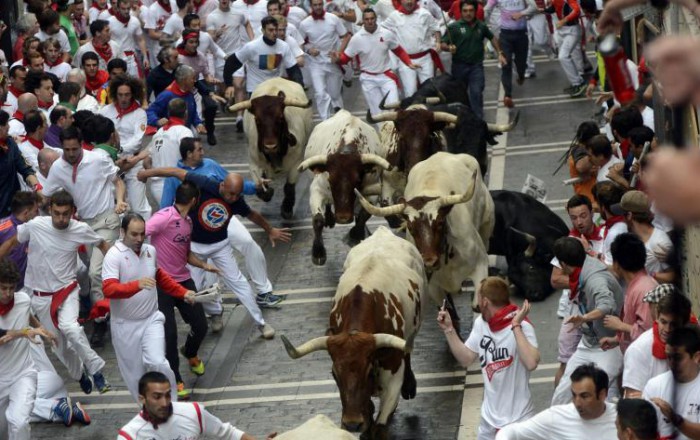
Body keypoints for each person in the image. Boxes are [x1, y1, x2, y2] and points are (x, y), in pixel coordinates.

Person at [136, 167, 290, 338]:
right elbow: (175, 171)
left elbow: (252, 215)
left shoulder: (236, 201)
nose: (232, 198)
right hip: (194, 246)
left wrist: (270, 229)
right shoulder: (206, 183)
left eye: (236, 195)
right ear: (222, 185)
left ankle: (261, 323)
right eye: (230, 193)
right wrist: (147, 174)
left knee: (239, 283)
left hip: (220, 245)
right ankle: (215, 314)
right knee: (198, 288)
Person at [152, 138, 285, 320]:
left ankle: (264, 291)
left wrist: (254, 187)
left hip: (224, 216)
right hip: (198, 228)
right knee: (205, 274)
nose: (203, 152)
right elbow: (166, 207)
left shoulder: (211, 165)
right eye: (199, 149)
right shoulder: (177, 179)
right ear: (189, 154)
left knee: (247, 242)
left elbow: (232, 183)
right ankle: (214, 311)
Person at [1, 191, 112, 394]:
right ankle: (80, 374)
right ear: (50, 210)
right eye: (57, 213)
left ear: (72, 212)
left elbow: (103, 244)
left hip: (66, 290)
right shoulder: (35, 225)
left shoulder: (81, 229)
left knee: (71, 328)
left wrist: (115, 271)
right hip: (41, 296)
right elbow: (12, 242)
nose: (61, 219)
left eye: (66, 214)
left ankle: (97, 371)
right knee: (59, 345)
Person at [42, 126, 128, 347]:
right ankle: (111, 305)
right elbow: (47, 196)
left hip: (106, 219)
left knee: (95, 271)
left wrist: (119, 201)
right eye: (67, 149)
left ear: (82, 145)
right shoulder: (58, 167)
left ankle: (100, 320)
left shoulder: (97, 159)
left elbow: (117, 181)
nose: (71, 153)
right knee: (95, 272)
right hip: (84, 227)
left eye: (74, 148)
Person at [102, 214, 196, 403]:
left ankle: (172, 405)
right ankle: (147, 413)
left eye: (142, 234)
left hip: (151, 319)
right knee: (136, 376)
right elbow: (109, 289)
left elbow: (160, 276)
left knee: (158, 363)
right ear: (122, 232)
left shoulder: (150, 251)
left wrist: (183, 293)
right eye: (134, 234)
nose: (139, 239)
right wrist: (136, 285)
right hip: (125, 326)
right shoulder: (114, 255)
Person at [437, 277, 540, 439]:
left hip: (517, 420)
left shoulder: (522, 325)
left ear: (485, 301)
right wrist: (449, 329)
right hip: (489, 421)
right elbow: (466, 359)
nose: (476, 303)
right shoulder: (481, 324)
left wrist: (516, 326)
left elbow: (531, 362)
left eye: (477, 297)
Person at [145, 182, 213, 400]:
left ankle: (190, 352)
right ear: (194, 201)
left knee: (201, 325)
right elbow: (139, 234)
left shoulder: (188, 221)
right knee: (169, 334)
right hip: (163, 285)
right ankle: (175, 377)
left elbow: (185, 254)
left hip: (184, 281)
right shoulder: (163, 217)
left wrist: (204, 265)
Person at [551, 236, 624, 405]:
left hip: (610, 346)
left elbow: (607, 304)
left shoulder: (594, 280)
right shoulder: (583, 268)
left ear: (563, 265)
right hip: (589, 343)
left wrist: (584, 317)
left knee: (594, 396)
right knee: (560, 398)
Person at [549, 194, 604, 385]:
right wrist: (584, 280)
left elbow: (612, 274)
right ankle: (558, 405)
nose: (579, 222)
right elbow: (555, 279)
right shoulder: (567, 242)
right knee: (565, 363)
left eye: (583, 215)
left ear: (592, 213)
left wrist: (590, 253)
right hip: (573, 312)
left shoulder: (606, 237)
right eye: (574, 218)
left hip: (601, 311)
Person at [118, 371, 264, 439]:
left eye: (168, 395)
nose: (164, 403)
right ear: (142, 399)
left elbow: (228, 433)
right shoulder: (130, 435)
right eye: (157, 397)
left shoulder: (192, 412)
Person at [495, 364, 618, 439]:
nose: (577, 403)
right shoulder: (557, 417)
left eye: (584, 396)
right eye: (574, 395)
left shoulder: (621, 418)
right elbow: (510, 432)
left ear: (602, 394)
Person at [332, 8, 417, 116]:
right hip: (368, 79)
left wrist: (409, 63)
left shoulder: (386, 34)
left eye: (372, 18)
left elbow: (398, 50)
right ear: (363, 20)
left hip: (387, 77)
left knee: (393, 109)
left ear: (376, 19)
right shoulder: (357, 39)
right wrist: (337, 59)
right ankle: (382, 132)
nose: (370, 21)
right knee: (377, 113)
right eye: (367, 19)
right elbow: (345, 58)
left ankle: (395, 132)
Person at [623, 287, 692, 398]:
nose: (667, 329)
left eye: (674, 324)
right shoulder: (638, 350)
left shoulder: (693, 344)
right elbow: (631, 398)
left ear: (684, 324)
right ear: (656, 317)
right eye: (663, 322)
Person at [440, 0, 504, 119]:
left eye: (470, 11)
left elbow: (492, 38)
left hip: (476, 67)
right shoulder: (454, 27)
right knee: (460, 96)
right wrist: (449, 48)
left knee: (476, 92)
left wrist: (500, 52)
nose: (468, 14)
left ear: (475, 11)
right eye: (465, 11)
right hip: (459, 67)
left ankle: (478, 121)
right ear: (461, 12)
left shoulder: (481, 26)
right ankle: (463, 120)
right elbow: (442, 44)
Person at [99, 75, 150, 219]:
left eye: (127, 94)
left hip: (133, 163)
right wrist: (114, 155)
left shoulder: (140, 113)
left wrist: (119, 150)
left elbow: (137, 141)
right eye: (120, 94)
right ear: (115, 94)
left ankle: (146, 237)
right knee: (115, 205)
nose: (123, 98)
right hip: (111, 164)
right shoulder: (105, 111)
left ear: (133, 93)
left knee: (139, 206)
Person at [0, 258, 41, 440]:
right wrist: (23, 332)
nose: (8, 293)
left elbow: (27, 313)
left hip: (23, 374)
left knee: (19, 423)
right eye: (3, 288)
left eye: (11, 288)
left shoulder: (23, 300)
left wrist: (41, 328)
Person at [599, 233, 655, 353]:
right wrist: (616, 339)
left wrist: (620, 326)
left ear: (616, 264)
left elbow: (650, 333)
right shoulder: (638, 284)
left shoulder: (644, 290)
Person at [223, 17, 304, 98]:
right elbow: (231, 62)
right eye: (271, 30)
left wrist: (299, 88)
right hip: (256, 89)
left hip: (275, 88)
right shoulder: (251, 47)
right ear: (263, 31)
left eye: (276, 29)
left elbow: (293, 70)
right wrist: (229, 85)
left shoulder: (284, 46)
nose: (275, 33)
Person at [643, 326, 700, 440]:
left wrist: (675, 419)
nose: (671, 363)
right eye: (668, 357)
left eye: (678, 358)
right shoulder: (654, 385)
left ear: (697, 357)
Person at [299, 0, 351, 119]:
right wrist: (308, 50)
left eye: (319, 4)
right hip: (315, 64)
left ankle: (341, 121)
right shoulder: (304, 24)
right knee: (320, 93)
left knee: (335, 94)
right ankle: (325, 121)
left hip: (332, 62)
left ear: (323, 5)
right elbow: (299, 43)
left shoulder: (333, 19)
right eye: (315, 5)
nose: (317, 7)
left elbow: (346, 36)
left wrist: (339, 52)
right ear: (311, 6)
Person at [611, 190, 675, 282]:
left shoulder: (659, 241)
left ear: (629, 215)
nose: (622, 220)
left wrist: (648, 276)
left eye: (623, 216)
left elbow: (671, 276)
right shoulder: (629, 239)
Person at [381, 0, 440, 98]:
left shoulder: (424, 13)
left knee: (430, 90)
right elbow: (382, 30)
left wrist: (438, 41)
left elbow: (435, 27)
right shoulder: (394, 16)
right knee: (410, 92)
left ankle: (429, 112)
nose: (409, 2)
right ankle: (412, 112)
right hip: (406, 61)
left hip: (425, 59)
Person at [176, 29, 225, 146]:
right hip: (181, 88)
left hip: (197, 84)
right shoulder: (178, 57)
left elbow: (206, 75)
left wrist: (212, 80)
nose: (194, 45)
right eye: (191, 42)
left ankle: (210, 131)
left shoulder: (201, 56)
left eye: (196, 42)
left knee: (212, 105)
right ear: (185, 42)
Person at [484, 0, 536, 108]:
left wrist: (521, 14)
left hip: (521, 34)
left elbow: (534, 7)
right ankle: (508, 95)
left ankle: (521, 75)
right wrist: (479, 20)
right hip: (505, 35)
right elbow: (487, 9)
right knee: (506, 64)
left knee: (521, 63)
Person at [148, 99, 194, 205]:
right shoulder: (184, 132)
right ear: (186, 113)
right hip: (176, 185)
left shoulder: (158, 133)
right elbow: (190, 156)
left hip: (157, 186)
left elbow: (147, 161)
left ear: (169, 113)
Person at [0, 110, 41, 218]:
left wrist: (37, 187)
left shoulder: (10, 143)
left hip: (14, 210)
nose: (8, 127)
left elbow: (25, 169)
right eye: (5, 124)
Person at [147, 64, 207, 135]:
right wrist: (157, 121)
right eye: (193, 78)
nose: (195, 81)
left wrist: (198, 123)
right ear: (184, 80)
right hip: (169, 136)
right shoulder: (166, 95)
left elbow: (193, 112)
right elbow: (150, 111)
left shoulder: (189, 93)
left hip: (185, 134)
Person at [545, 0, 588, 98]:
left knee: (563, 56)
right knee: (565, 57)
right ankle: (578, 82)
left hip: (572, 30)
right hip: (563, 30)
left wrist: (564, 20)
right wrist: (542, 10)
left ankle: (578, 84)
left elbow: (576, 10)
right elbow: (553, 8)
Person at [0, 192, 39, 290]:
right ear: (26, 213)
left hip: (26, 286)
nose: (37, 214)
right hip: (5, 289)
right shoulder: (4, 230)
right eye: (36, 211)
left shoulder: (34, 228)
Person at [105, 0, 150, 78]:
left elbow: (141, 40)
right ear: (118, 8)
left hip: (131, 57)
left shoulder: (135, 21)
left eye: (128, 8)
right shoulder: (110, 22)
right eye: (123, 8)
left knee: (137, 83)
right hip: (115, 57)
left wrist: (145, 57)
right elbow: (105, 39)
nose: (126, 11)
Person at [592, 181, 627, 265]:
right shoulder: (626, 221)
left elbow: (612, 271)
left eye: (597, 204)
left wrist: (589, 252)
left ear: (603, 207)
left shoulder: (614, 233)